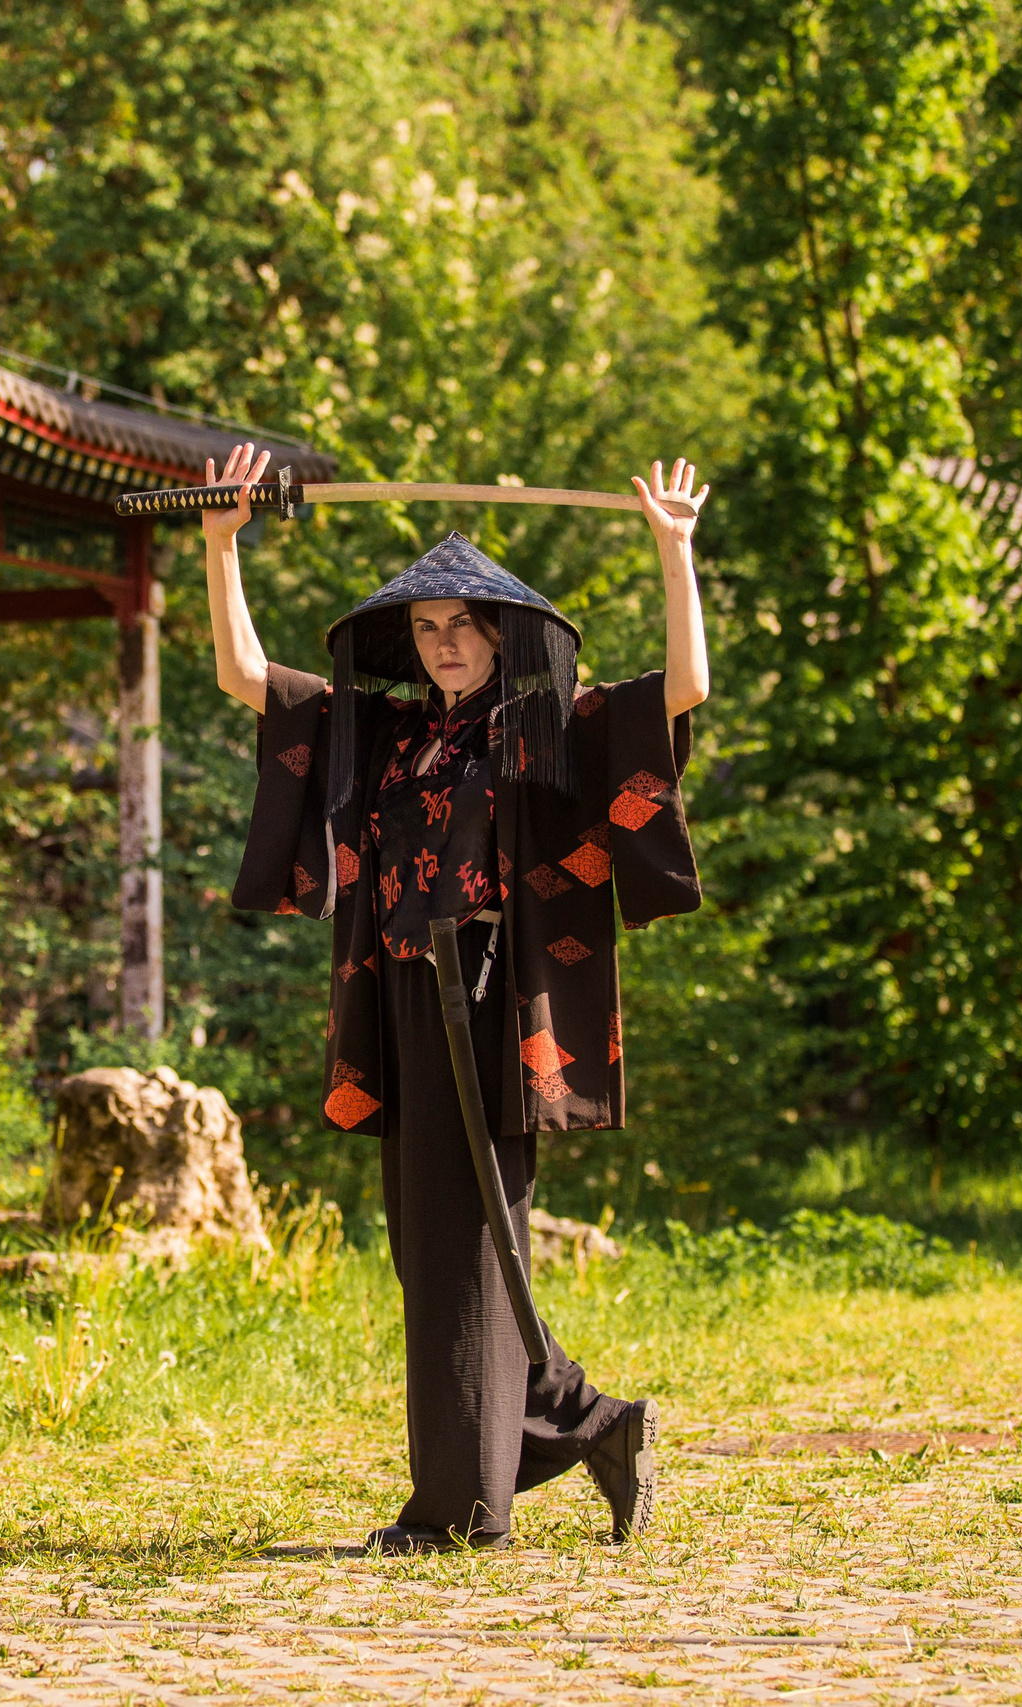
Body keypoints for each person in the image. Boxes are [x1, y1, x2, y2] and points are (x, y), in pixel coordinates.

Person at [201, 442, 711, 1553]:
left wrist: (674, 555)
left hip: (484, 998)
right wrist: (220, 544)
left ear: (498, 636)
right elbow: (249, 679)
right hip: (397, 996)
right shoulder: (379, 730)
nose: (441, 645)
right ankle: (583, 1419)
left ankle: (462, 1511)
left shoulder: (544, 725)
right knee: (439, 1239)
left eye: (461, 627)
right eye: (426, 628)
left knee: (462, 1241)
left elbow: (680, 692)